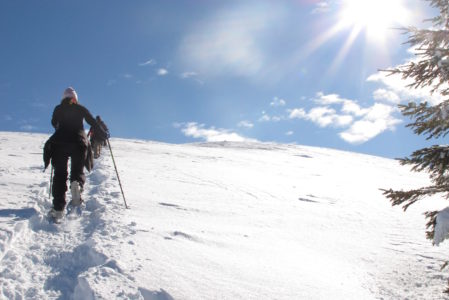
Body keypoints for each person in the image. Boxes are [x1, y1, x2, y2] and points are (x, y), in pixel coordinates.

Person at [45, 87, 108, 219]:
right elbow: (93, 122)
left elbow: (53, 123)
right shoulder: (81, 108)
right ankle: (77, 185)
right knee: (77, 170)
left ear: (63, 98)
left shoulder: (58, 108)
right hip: (79, 142)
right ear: (75, 98)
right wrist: (103, 134)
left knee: (60, 175)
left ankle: (58, 209)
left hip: (59, 143)